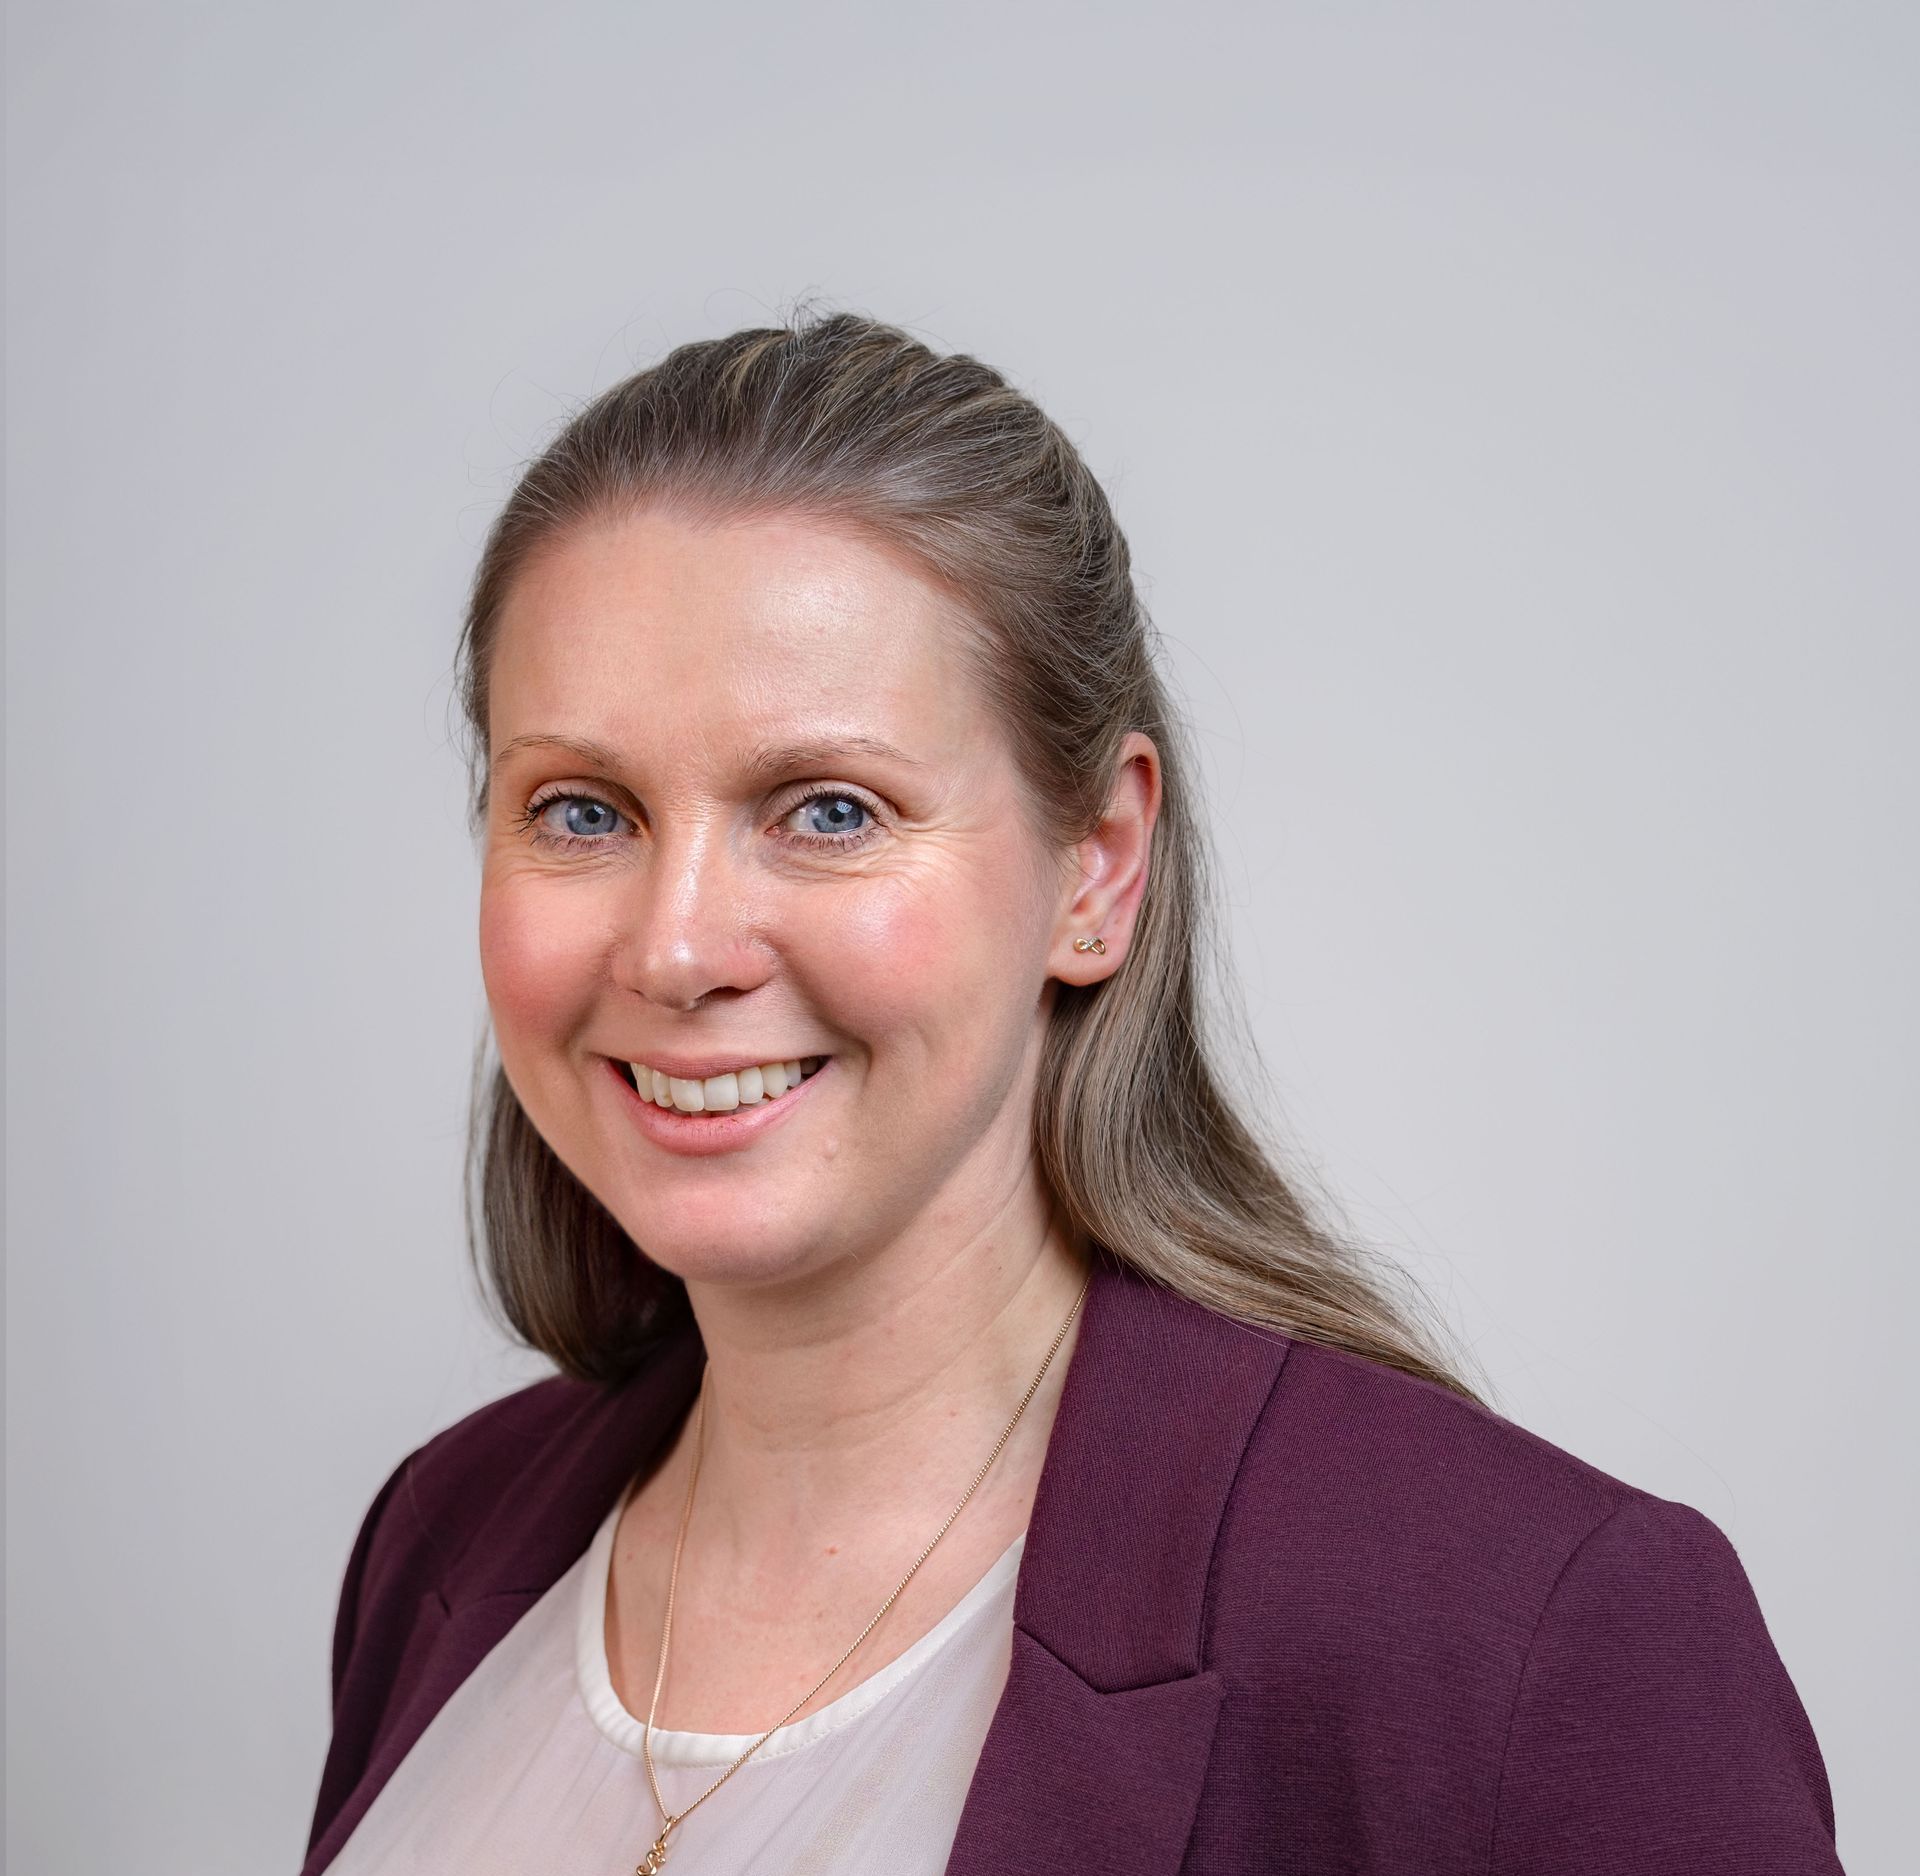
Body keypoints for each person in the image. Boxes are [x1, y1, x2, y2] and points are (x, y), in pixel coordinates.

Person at [302, 313, 1843, 1875]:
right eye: (581, 810)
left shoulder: (1525, 1630)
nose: (678, 944)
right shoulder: (446, 1536)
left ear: (1096, 869)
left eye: (829, 809)